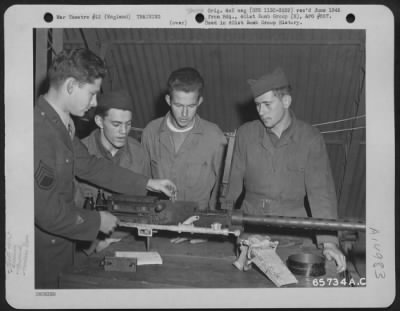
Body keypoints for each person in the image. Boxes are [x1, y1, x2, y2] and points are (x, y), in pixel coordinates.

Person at [34, 48, 176, 288]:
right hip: (43, 258)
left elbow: (89, 166)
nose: (95, 103)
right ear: (70, 85)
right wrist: (96, 221)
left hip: (63, 249)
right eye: (91, 94)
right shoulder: (37, 131)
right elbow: (47, 212)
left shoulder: (62, 125)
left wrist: (147, 183)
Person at [225, 67, 346, 273]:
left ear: (286, 101)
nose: (261, 112)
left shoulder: (310, 138)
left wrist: (329, 243)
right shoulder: (246, 134)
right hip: (252, 228)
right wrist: (230, 228)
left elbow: (321, 193)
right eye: (257, 105)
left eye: (267, 104)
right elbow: (231, 189)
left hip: (295, 232)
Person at [141, 67, 227, 211]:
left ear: (199, 101)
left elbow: (220, 192)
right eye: (178, 105)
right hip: (160, 219)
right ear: (168, 100)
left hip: (199, 223)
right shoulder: (151, 132)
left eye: (191, 106)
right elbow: (143, 180)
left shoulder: (214, 137)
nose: (185, 114)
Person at [74, 89, 150, 208]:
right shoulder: (80, 153)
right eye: (116, 124)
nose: (124, 131)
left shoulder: (139, 154)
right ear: (99, 121)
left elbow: (144, 203)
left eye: (128, 124)